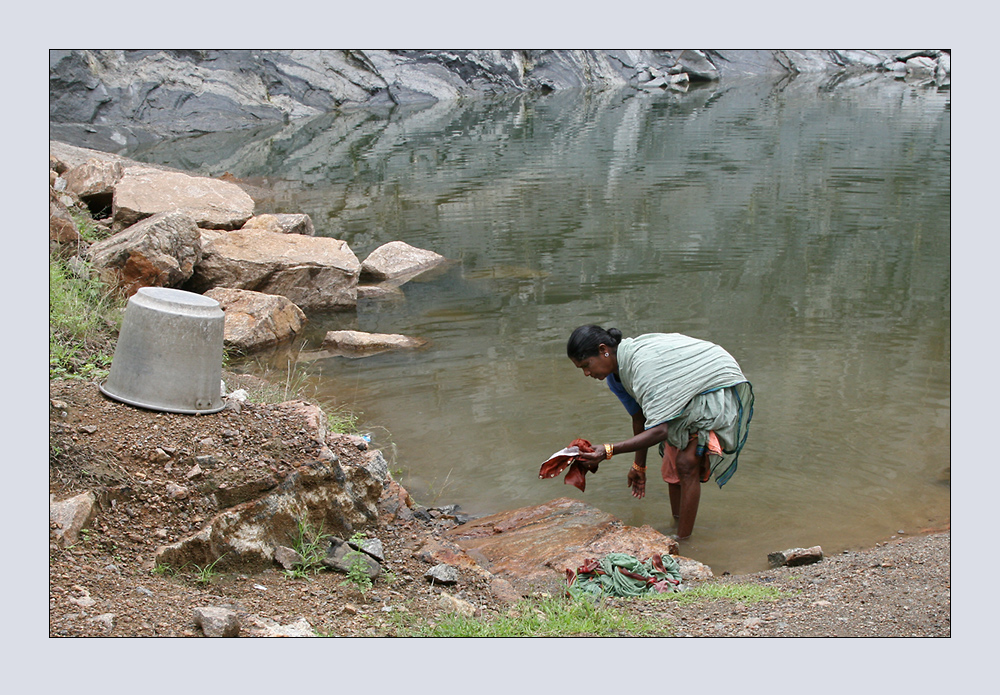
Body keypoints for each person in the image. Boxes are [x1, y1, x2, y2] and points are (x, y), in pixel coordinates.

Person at [567, 325, 754, 540]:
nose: (587, 373)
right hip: (683, 390)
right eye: (581, 369)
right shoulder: (616, 378)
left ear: (603, 350)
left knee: (686, 462)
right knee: (672, 464)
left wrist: (608, 450)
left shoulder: (642, 366)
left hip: (712, 384)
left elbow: (661, 429)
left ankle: (683, 541)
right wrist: (639, 466)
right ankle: (678, 525)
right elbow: (640, 418)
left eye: (586, 365)